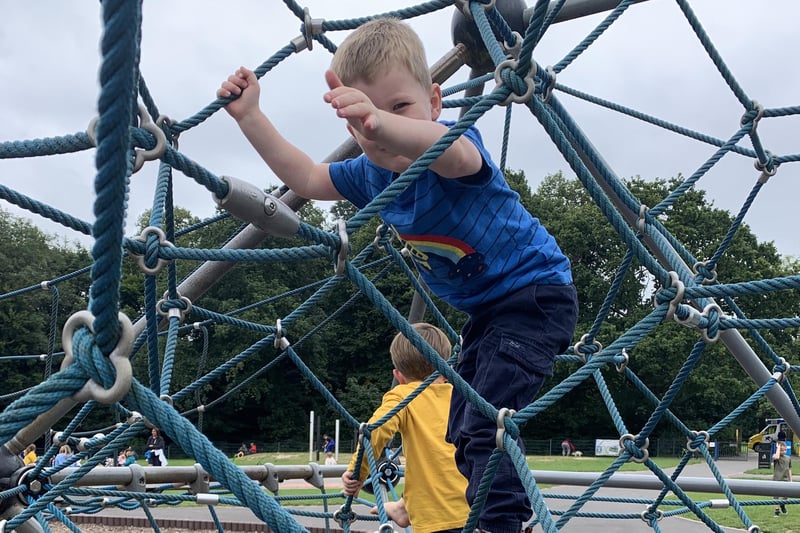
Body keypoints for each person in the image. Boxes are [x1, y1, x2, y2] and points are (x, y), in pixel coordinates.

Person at [217, 17, 578, 533]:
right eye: (360, 116)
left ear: (434, 102)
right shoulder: (368, 175)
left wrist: (378, 123)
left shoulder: (455, 142)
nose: (374, 124)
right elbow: (306, 177)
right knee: (458, 427)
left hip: (535, 296)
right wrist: (250, 117)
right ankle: (481, 517)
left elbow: (451, 155)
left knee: (485, 426)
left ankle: (500, 526)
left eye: (398, 107)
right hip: (486, 313)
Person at [341, 323, 469, 533]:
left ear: (398, 376)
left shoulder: (404, 396)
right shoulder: (463, 395)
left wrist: (357, 474)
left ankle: (404, 508)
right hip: (476, 507)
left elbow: (374, 432)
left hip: (436, 518)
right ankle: (403, 507)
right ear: (447, 368)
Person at [773, 441, 792, 517]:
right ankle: (777, 511)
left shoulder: (788, 458)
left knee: (786, 494)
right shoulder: (776, 457)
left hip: (786, 479)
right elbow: (776, 457)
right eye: (781, 450)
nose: (783, 451)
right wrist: (778, 448)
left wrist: (791, 479)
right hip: (777, 479)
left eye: (784, 450)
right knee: (776, 496)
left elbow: (789, 469)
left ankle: (782, 504)